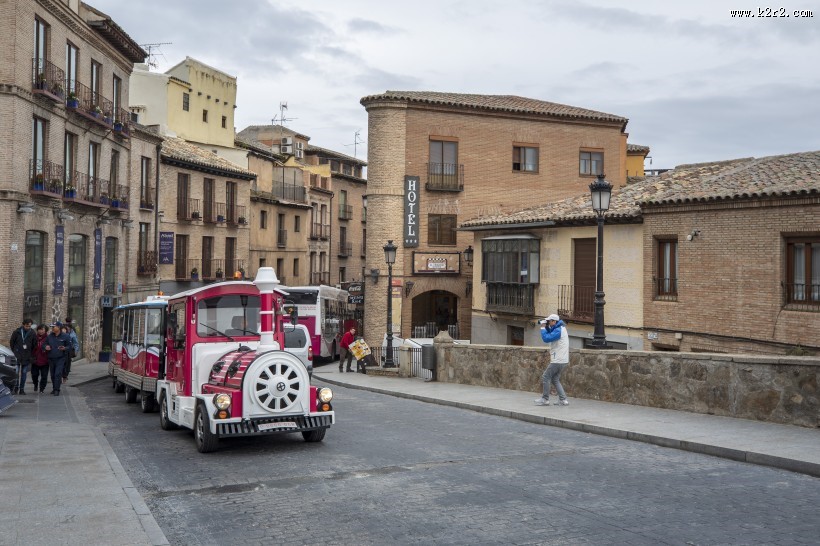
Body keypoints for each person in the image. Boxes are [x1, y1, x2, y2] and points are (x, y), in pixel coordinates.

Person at [534, 314, 570, 406]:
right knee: (555, 379)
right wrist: (546, 326)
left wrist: (542, 327)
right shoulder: (560, 328)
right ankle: (563, 399)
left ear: (554, 321)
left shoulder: (558, 330)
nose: (549, 323)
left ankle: (545, 399)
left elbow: (547, 338)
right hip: (563, 360)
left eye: (550, 321)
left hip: (557, 359)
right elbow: (551, 332)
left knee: (545, 376)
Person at [42, 322, 70, 396]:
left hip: (60, 358)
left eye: (54, 327)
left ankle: (57, 389)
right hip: (51, 358)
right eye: (52, 327)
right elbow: (43, 344)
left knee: (58, 374)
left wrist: (65, 348)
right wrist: (45, 347)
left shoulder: (66, 336)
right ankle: (54, 388)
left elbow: (70, 347)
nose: (52, 328)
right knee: (52, 375)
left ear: (59, 327)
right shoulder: (49, 336)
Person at [9, 318, 36, 395]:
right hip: (17, 355)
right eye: (27, 326)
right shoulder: (17, 332)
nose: (28, 327)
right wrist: (15, 350)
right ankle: (16, 387)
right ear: (23, 325)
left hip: (27, 355)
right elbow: (12, 342)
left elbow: (34, 344)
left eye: (30, 326)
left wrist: (30, 352)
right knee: (16, 372)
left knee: (24, 373)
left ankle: (22, 389)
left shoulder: (32, 333)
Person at [31, 324, 50, 393]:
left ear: (45, 331)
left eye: (42, 330)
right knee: (34, 375)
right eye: (39, 329)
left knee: (44, 376)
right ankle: (35, 384)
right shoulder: (34, 337)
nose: (41, 331)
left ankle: (42, 388)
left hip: (45, 360)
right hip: (35, 360)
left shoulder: (48, 338)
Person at [63, 317, 80, 384]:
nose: (67, 330)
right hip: (61, 350)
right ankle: (63, 375)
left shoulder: (72, 333)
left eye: (68, 329)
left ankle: (65, 375)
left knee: (67, 363)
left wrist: (76, 351)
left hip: (69, 350)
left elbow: (76, 343)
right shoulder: (63, 331)